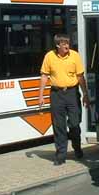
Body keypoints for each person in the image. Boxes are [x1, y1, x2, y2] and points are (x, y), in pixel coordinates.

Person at [38, 33, 89, 166]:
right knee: (58, 126)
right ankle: (61, 155)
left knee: (74, 123)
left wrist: (85, 94)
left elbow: (80, 77)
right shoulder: (49, 56)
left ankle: (77, 147)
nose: (67, 45)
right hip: (56, 94)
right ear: (57, 45)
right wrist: (41, 95)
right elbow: (44, 76)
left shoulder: (75, 56)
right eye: (64, 43)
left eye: (68, 43)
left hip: (72, 93)